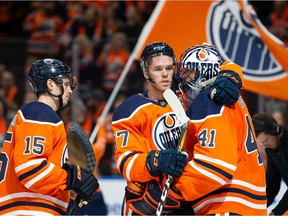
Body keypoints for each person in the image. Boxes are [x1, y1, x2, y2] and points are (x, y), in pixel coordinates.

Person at [111, 42, 243, 215]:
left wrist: (231, 75)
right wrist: (155, 161)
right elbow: (125, 162)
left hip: (183, 199)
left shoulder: (188, 99)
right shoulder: (129, 109)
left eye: (169, 68)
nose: (165, 74)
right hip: (146, 202)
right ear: (145, 73)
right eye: (158, 69)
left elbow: (219, 61)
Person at [170, 43, 267, 215]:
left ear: (204, 72)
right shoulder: (224, 94)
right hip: (244, 204)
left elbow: (216, 166)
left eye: (189, 73)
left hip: (228, 205)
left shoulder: (208, 100)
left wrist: (176, 191)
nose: (183, 79)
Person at [0, 58, 99, 215]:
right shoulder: (39, 112)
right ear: (51, 84)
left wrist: (71, 188)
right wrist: (70, 179)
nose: (70, 90)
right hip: (29, 209)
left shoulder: (39, 114)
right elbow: (29, 169)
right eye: (66, 84)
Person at [252, 113, 288, 215]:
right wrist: (258, 207)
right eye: (262, 144)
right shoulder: (271, 149)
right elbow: (273, 182)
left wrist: (275, 213)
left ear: (275, 130)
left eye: (266, 140)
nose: (265, 145)